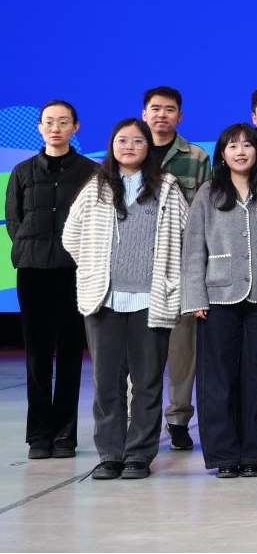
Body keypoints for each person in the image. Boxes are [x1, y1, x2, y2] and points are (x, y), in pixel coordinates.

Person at [62, 119, 188, 480]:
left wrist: (171, 276)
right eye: (122, 140)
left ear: (148, 147)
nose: (129, 147)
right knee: (107, 382)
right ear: (112, 145)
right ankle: (110, 453)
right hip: (104, 300)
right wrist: (95, 267)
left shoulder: (167, 187)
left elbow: (185, 234)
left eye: (137, 141)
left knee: (147, 382)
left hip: (152, 299)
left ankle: (138, 454)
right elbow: (71, 235)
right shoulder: (96, 187)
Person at [181, 124, 257, 479]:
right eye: (233, 146)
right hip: (218, 297)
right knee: (218, 379)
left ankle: (253, 452)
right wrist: (195, 296)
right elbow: (193, 247)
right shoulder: (208, 193)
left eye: (247, 145)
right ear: (222, 154)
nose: (241, 151)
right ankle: (223, 455)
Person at [5, 100, 95, 459]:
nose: (55, 128)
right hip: (33, 272)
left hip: (74, 271)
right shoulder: (22, 171)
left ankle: (65, 436)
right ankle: (39, 436)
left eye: (63, 122)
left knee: (71, 354)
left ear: (76, 127)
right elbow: (14, 220)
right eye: (49, 122)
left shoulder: (91, 171)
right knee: (37, 355)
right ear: (40, 128)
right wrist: (29, 248)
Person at [141, 86, 210, 452]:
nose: (162, 115)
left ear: (179, 116)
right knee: (139, 349)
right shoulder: (130, 151)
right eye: (155, 109)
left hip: (181, 265)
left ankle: (179, 419)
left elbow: (204, 214)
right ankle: (141, 419)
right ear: (144, 114)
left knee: (183, 350)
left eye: (169, 110)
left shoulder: (196, 157)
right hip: (138, 268)